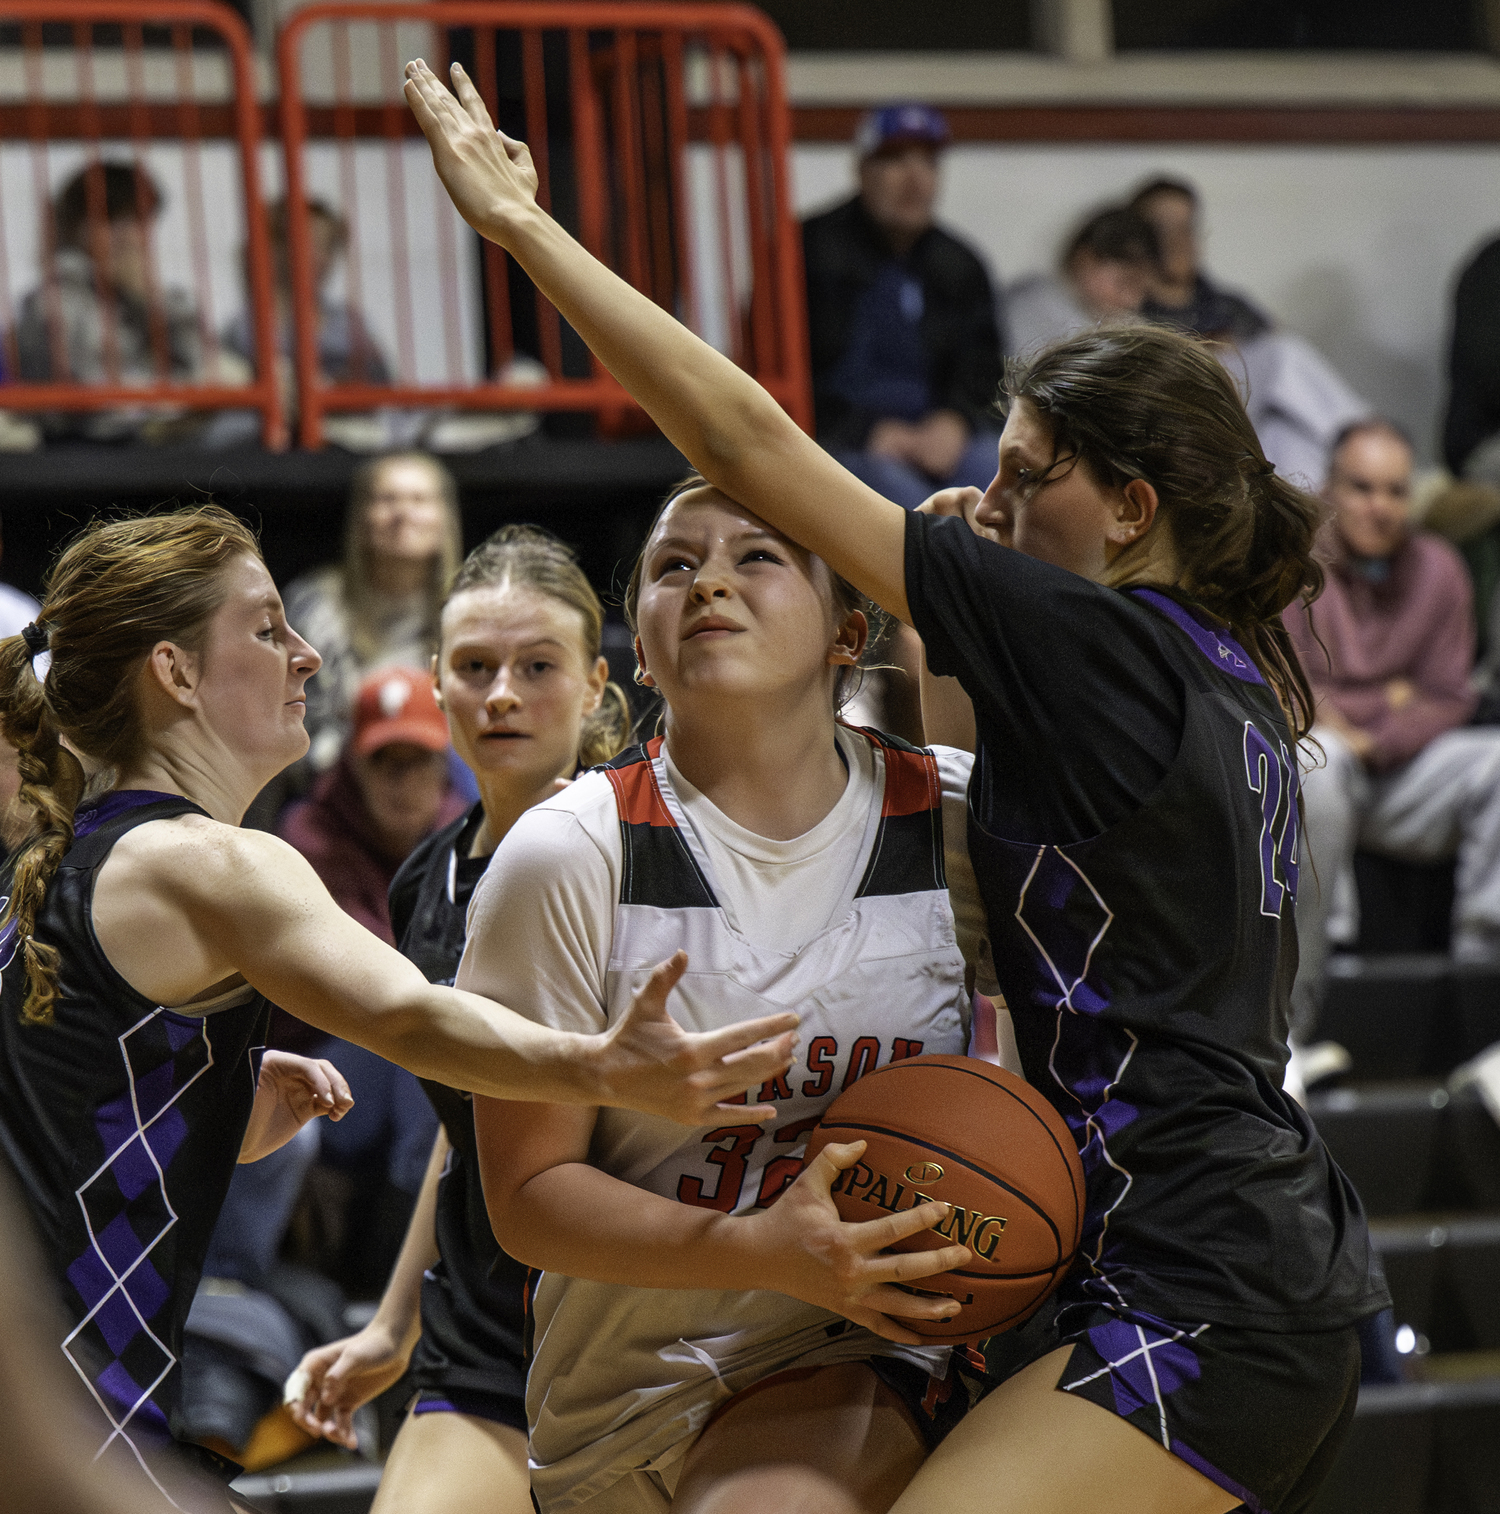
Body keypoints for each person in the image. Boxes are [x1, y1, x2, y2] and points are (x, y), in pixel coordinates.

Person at [403, 59, 1389, 1513]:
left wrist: (524, 234)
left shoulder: (1096, 644)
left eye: (1024, 479)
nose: (986, 514)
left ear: (1131, 509)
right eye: (985, 483)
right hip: (1243, 1257)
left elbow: (744, 443)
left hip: (1190, 1279)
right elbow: (923, 759)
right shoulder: (1216, 672)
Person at [0, 503, 798, 1501]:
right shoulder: (209, 863)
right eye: (266, 628)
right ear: (176, 672)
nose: (306, 657)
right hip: (73, 1423)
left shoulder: (54, 862)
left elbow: (61, 1111)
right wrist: (601, 1064)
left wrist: (211, 1098)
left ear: (599, 682)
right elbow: (418, 1019)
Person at [462, 475, 1001, 1514]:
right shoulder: (566, 854)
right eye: (674, 564)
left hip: (851, 1349)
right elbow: (527, 1198)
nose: (708, 578)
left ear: (850, 632)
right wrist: (759, 1246)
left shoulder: (952, 822)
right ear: (643, 652)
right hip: (611, 1403)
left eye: (756, 555)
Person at [288, 523, 634, 1514]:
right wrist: (393, 1327)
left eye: (537, 665)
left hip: (649, 1323)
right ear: (436, 684)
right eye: (476, 667)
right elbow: (464, 1135)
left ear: (598, 684)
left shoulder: (650, 854)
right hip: (484, 1336)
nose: (502, 693)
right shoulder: (421, 877)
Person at [1284, 420, 1500, 1023]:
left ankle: (1483, 994)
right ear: (1329, 488)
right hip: (1321, 769)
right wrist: (1389, 697)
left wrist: (1368, 727)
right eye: (1362, 488)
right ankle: (1293, 1024)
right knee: (1319, 759)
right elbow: (1288, 690)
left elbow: (1447, 697)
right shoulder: (1291, 568)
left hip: (1402, 774)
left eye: (1395, 491)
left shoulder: (1440, 569)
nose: (1380, 507)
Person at [276, 665, 466, 1293]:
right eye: (386, 762)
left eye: (418, 761)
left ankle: (410, 1275)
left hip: (399, 1077)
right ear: (355, 768)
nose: (403, 780)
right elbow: (373, 986)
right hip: (310, 1073)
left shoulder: (468, 831)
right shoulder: (310, 840)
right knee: (427, 1026)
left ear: (444, 767)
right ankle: (400, 1278)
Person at [802, 104, 1004, 512]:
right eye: (894, 159)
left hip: (941, 438)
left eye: (928, 162)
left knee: (1006, 491)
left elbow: (985, 371)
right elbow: (782, 374)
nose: (914, 179)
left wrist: (956, 421)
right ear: (862, 171)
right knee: (918, 518)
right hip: (843, 441)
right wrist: (865, 431)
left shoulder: (959, 263)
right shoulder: (805, 252)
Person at [15, 161, 249, 444]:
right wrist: (187, 401)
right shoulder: (56, 302)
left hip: (155, 451)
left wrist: (149, 298)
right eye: (112, 219)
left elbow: (202, 364)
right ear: (77, 226)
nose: (128, 235)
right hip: (88, 458)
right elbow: (102, 403)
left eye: (139, 220)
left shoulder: (152, 296)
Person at [283, 451, 463, 777]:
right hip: (333, 783)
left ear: (445, 518)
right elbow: (287, 723)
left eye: (420, 500)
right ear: (361, 518)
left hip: (448, 785)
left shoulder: (472, 608)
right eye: (387, 499)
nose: (403, 513)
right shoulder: (314, 605)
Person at [1003, 206, 1159, 358]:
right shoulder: (1031, 304)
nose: (1132, 301)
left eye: (1142, 290)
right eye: (1124, 283)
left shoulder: (1123, 324)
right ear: (1085, 260)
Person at [1128, 177, 1270, 345]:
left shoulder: (1234, 311)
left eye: (1185, 228)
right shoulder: (1124, 316)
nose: (1177, 241)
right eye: (1162, 229)